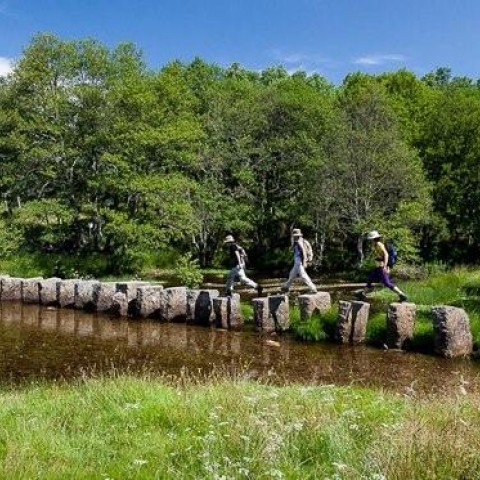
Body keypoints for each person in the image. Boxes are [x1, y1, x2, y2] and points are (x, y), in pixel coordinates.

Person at [356, 230, 408, 302]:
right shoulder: (376, 244)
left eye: (370, 239)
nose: (370, 241)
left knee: (387, 283)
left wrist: (385, 266)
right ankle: (362, 294)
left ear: (373, 239)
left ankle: (402, 295)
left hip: (381, 268)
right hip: (378, 268)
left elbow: (386, 254)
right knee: (370, 279)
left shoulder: (379, 244)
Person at [281, 228, 317, 293]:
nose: (294, 237)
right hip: (296, 262)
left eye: (296, 236)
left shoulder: (304, 242)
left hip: (300, 262)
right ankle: (286, 287)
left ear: (299, 236)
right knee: (292, 275)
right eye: (294, 236)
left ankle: (313, 288)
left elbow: (310, 251)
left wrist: (309, 260)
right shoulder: (295, 243)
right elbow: (292, 250)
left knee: (303, 276)